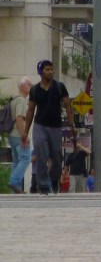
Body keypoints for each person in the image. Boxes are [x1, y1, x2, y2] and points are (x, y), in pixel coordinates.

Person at [24, 60, 73, 195]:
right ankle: (44, 187)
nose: (50, 72)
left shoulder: (59, 87)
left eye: (51, 69)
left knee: (57, 158)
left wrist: (71, 123)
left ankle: (53, 180)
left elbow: (68, 105)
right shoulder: (34, 89)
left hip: (56, 127)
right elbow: (30, 110)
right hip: (39, 126)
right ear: (41, 72)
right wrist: (25, 132)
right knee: (41, 155)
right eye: (47, 69)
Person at [7, 77, 32, 193]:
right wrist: (24, 136)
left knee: (17, 161)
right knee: (26, 158)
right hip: (18, 135)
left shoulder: (14, 100)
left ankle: (15, 190)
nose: (31, 87)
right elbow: (19, 119)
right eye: (29, 84)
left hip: (12, 135)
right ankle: (14, 181)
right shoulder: (21, 100)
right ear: (22, 86)